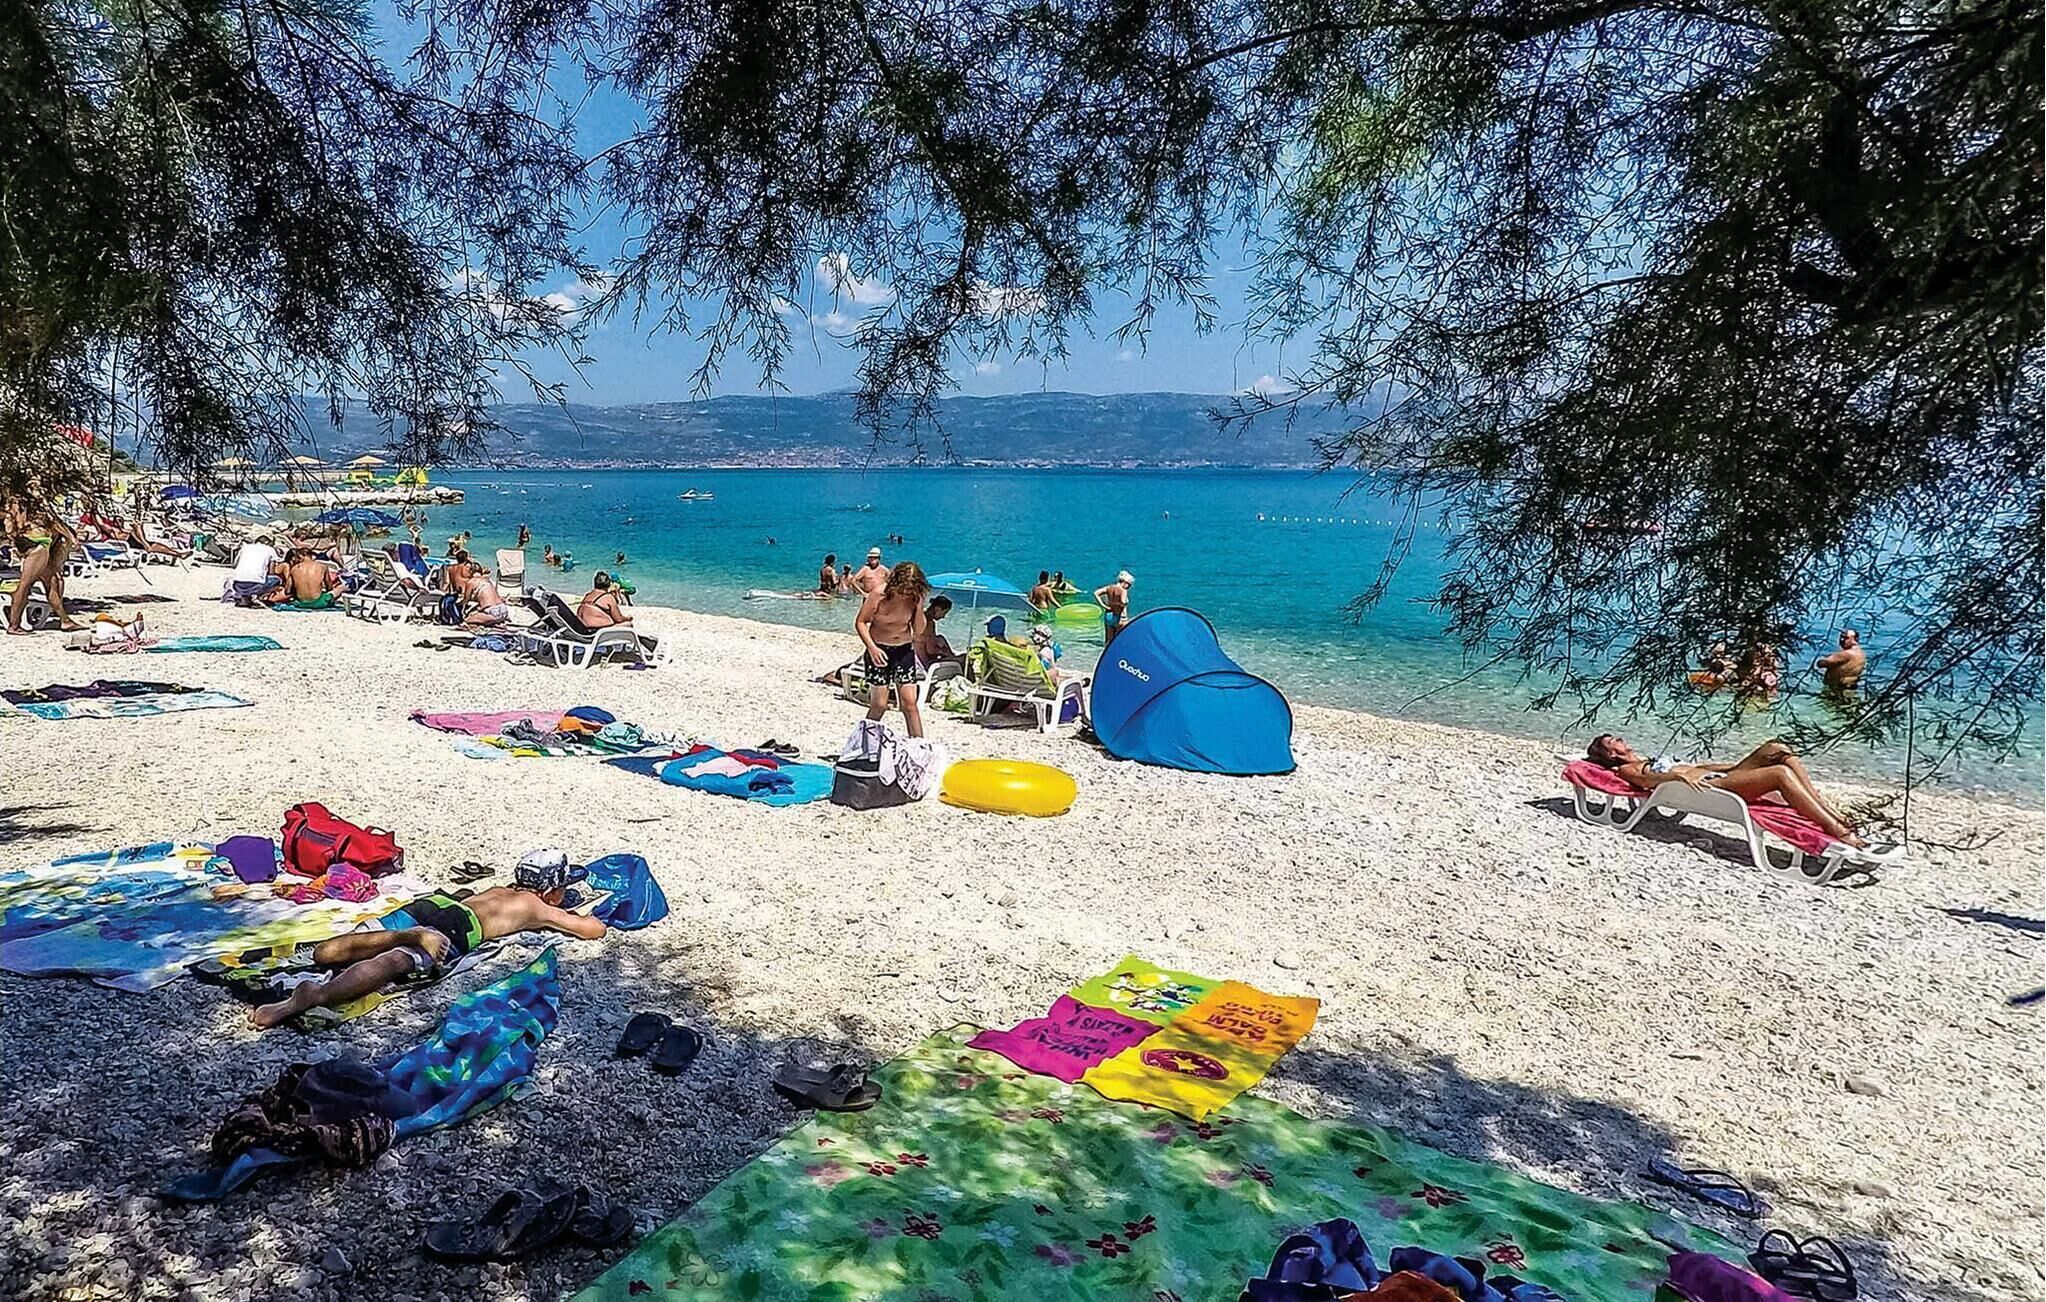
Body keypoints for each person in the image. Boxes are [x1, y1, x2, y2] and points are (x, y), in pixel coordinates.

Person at [250, 866, 606, 1030]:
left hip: (435, 904)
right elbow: (592, 930)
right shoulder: (538, 906)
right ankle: (318, 995)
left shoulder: (500, 890)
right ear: (550, 890)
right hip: (458, 926)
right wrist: (586, 914)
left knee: (325, 953)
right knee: (394, 963)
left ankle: (409, 932)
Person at [1585, 734, 1872, 849]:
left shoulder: (1644, 758)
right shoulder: (1626, 770)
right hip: (1712, 788)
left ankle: (1833, 814)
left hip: (1715, 776)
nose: (1622, 740)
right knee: (1779, 774)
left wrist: (1734, 765)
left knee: (1778, 750)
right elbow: (1647, 783)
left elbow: (1696, 765)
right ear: (1611, 755)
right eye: (1615, 741)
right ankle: (1837, 829)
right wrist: (1678, 773)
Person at [855, 560, 931, 738]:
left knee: (909, 703)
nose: (906, 593)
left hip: (903, 651)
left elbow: (919, 631)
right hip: (879, 650)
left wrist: (919, 608)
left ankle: (918, 746)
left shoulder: (913, 598)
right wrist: (872, 648)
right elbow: (860, 622)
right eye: (905, 588)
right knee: (880, 704)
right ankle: (864, 743)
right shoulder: (879, 594)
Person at [4, 490, 82, 634]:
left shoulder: (16, 507)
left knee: (51, 582)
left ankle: (65, 621)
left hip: (31, 543)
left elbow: (10, 529)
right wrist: (72, 538)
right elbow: (54, 523)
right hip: (37, 545)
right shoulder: (26, 505)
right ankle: (14, 625)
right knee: (25, 586)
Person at [227, 534, 285, 606]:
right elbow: (271, 572)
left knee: (250, 578)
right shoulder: (270, 549)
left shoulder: (245, 547)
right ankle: (260, 597)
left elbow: (235, 564)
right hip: (255, 585)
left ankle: (245, 599)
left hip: (237, 584)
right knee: (277, 579)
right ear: (267, 542)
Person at [915, 595, 957, 665]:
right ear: (937, 609)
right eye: (944, 613)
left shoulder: (921, 619)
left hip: (918, 660)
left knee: (940, 638)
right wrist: (944, 651)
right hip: (927, 663)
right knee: (964, 660)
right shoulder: (928, 623)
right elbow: (931, 650)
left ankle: (952, 656)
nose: (943, 617)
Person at [1094, 570, 1134, 641]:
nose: (1129, 587)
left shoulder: (1109, 588)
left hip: (1109, 615)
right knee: (1121, 639)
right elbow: (1123, 602)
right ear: (1125, 583)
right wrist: (1122, 603)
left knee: (1109, 640)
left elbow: (1096, 593)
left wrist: (1103, 606)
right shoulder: (1123, 590)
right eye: (1129, 585)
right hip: (1120, 617)